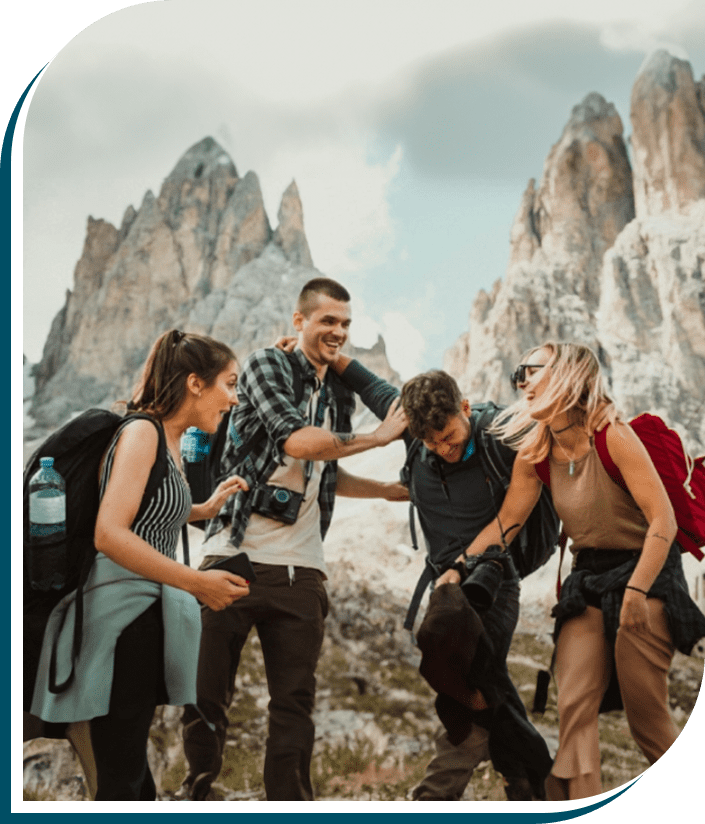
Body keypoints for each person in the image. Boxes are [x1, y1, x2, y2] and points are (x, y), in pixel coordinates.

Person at [443, 341, 705, 800]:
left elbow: (662, 520)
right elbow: (508, 521)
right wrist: (458, 567)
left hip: (645, 573)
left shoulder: (613, 435)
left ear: (566, 374)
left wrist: (638, 592)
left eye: (530, 370)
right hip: (587, 581)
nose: (519, 381)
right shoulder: (537, 450)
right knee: (574, 710)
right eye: (517, 373)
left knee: (647, 721)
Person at [179, 278, 409, 801]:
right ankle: (196, 795)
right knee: (206, 695)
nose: (339, 331)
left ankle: (288, 805)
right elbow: (295, 439)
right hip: (232, 558)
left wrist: (386, 492)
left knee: (294, 703)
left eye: (346, 323)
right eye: (327, 320)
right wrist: (376, 437)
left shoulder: (337, 393)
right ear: (298, 321)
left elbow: (320, 469)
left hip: (302, 570)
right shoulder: (266, 364)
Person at [29, 330, 252, 801]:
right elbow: (109, 532)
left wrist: (202, 508)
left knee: (122, 773)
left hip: (139, 612)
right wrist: (196, 583)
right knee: (122, 778)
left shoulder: (168, 441)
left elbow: (146, 506)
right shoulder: (141, 432)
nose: (233, 399)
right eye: (229, 385)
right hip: (120, 620)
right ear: (195, 383)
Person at [331, 356, 554, 801]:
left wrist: (459, 567)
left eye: (449, 436)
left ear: (465, 408)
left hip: (493, 580)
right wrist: (322, 353)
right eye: (430, 443)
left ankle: (434, 797)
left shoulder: (501, 436)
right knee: (483, 685)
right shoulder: (417, 433)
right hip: (445, 586)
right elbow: (370, 385)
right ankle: (533, 784)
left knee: (470, 689)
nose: (443, 449)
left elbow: (511, 517)